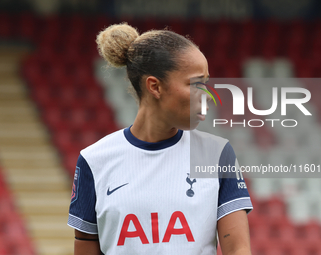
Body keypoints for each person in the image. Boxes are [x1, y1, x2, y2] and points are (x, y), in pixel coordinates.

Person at [67, 22, 253, 255]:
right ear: (155, 86)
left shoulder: (217, 154)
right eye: (196, 84)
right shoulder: (93, 161)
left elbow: (238, 249)